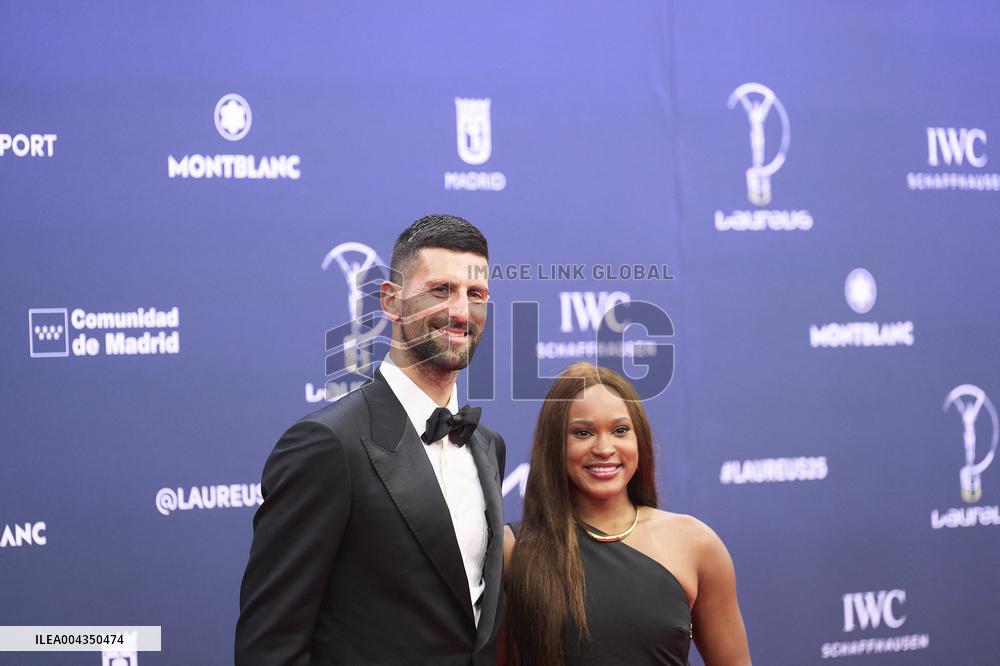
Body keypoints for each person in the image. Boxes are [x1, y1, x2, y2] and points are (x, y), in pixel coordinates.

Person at [236, 214, 507, 665]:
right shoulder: (326, 446)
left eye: (475, 295)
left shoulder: (487, 446)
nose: (461, 312)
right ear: (390, 301)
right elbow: (270, 645)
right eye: (440, 289)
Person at [501, 363, 751, 666]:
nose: (605, 448)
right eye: (583, 432)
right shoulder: (514, 550)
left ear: (639, 439)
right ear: (554, 445)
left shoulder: (696, 544)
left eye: (620, 430)